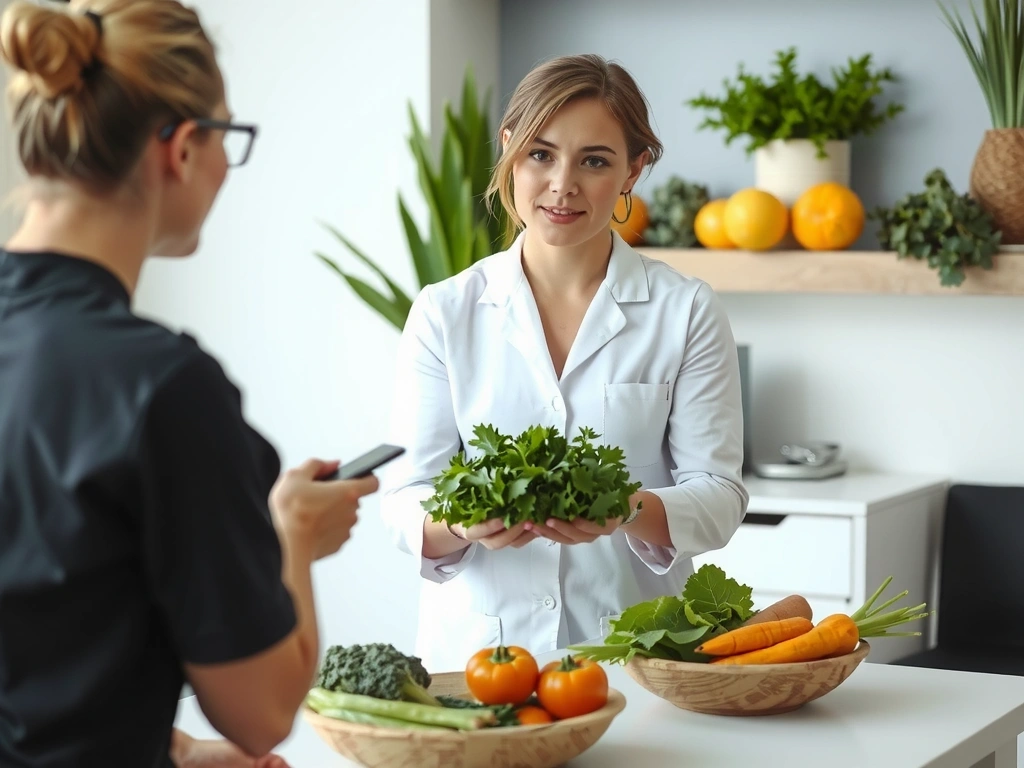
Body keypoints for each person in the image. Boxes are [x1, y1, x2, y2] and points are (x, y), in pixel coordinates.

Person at [0, 2, 378, 767]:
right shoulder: (162, 389)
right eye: (227, 137)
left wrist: (172, 752)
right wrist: (293, 539)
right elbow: (262, 712)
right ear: (180, 148)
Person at [380, 54, 749, 673]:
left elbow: (718, 498)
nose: (562, 184)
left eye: (595, 160)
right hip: (479, 661)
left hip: (633, 656)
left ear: (634, 170)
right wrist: (468, 524)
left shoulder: (685, 310)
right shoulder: (445, 312)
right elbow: (405, 498)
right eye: (541, 154)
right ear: (509, 152)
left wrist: (624, 508)